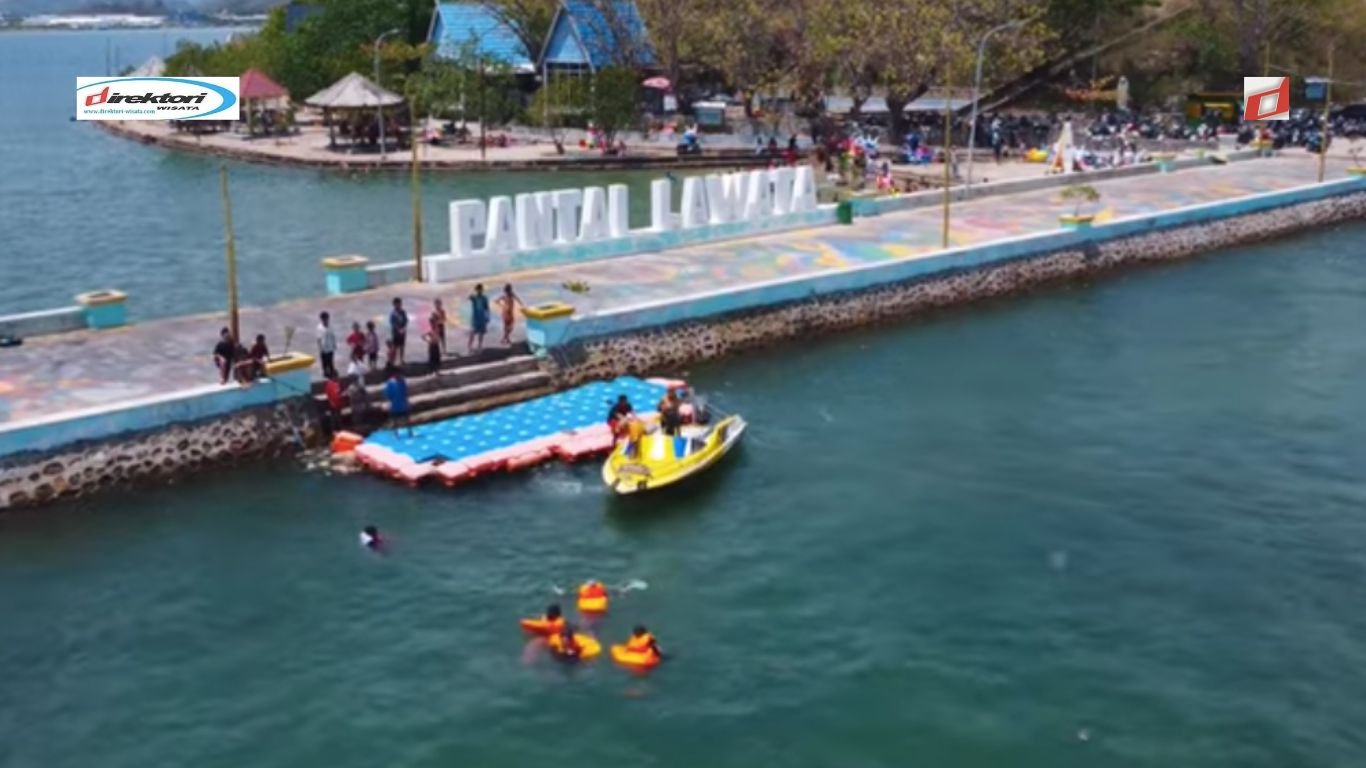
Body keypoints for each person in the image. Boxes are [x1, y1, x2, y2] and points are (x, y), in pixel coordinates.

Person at [384, 365, 413, 436]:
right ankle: (396, 433)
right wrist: (389, 403)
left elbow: (405, 391)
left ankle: (410, 431)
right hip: (395, 403)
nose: (399, 375)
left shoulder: (402, 381)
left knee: (407, 418)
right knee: (395, 419)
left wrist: (407, 401)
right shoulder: (390, 383)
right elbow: (388, 394)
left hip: (402, 402)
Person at [467, 283, 490, 354]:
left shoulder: (484, 298)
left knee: (481, 334)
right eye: (478, 290)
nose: (479, 291)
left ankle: (479, 346)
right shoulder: (474, 298)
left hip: (482, 318)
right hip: (475, 318)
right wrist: (473, 292)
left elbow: (487, 308)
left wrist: (487, 317)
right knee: (472, 333)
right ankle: (470, 347)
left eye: (480, 290)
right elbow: (469, 297)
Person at [316, 311, 338, 378]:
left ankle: (332, 374)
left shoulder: (331, 326)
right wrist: (320, 348)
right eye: (323, 319)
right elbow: (318, 339)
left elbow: (333, 336)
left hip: (330, 347)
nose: (325, 320)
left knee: (330, 361)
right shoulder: (319, 327)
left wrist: (335, 344)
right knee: (324, 363)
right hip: (323, 348)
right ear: (321, 319)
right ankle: (326, 374)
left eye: (326, 318)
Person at [389, 298, 409, 366]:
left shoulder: (403, 312)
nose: (399, 305)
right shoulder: (393, 314)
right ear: (394, 305)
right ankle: (393, 361)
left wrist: (403, 328)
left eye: (400, 304)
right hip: (396, 333)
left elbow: (406, 320)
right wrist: (398, 330)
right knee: (395, 347)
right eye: (397, 304)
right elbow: (393, 323)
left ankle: (401, 360)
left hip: (403, 332)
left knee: (402, 346)